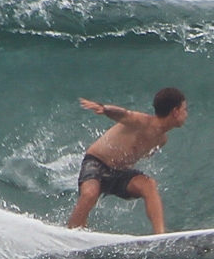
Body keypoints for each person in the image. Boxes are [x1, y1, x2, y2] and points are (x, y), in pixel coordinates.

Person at [67, 87, 188, 234]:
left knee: (149, 185)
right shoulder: (142, 122)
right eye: (184, 110)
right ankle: (72, 233)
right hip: (97, 162)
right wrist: (105, 109)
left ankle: (160, 234)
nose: (186, 114)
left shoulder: (162, 140)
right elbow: (124, 114)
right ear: (175, 112)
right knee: (90, 193)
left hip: (119, 173)